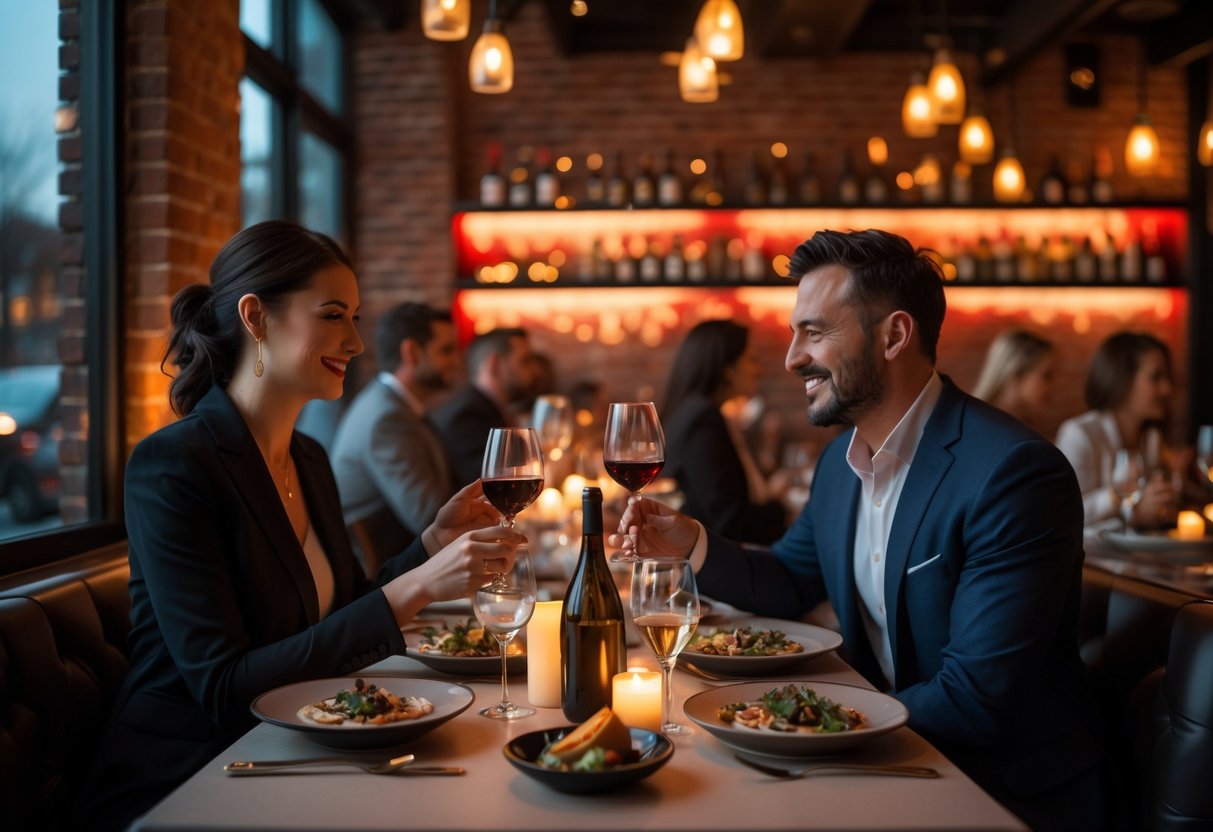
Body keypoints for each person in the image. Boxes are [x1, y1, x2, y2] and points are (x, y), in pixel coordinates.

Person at [612, 229, 1104, 831]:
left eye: (815, 332)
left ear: (894, 335)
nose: (793, 357)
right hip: (891, 762)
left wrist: (792, 717)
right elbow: (792, 579)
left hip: (999, 789)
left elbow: (975, 699)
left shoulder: (1012, 473)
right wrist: (690, 543)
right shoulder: (841, 465)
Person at [79, 222, 522, 831]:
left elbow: (338, 615)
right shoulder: (175, 464)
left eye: (357, 318)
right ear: (256, 317)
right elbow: (224, 689)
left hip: (293, 747)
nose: (357, 343)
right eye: (334, 315)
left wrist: (428, 548)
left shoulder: (309, 458)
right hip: (188, 775)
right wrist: (415, 588)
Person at [330, 302, 460, 574]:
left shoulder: (397, 406)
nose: (457, 361)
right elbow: (429, 518)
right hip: (376, 580)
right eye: (446, 350)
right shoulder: (386, 417)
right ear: (411, 352)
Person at [661, 319, 787, 543]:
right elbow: (729, 521)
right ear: (727, 368)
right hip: (706, 569)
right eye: (752, 360)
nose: (759, 370)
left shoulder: (692, 412)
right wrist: (781, 508)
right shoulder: (703, 421)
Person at [1055, 331, 1177, 536]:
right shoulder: (1080, 434)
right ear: (1124, 379)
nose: (1167, 389)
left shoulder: (1152, 439)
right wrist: (1128, 507)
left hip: (1140, 561)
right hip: (1091, 565)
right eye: (1156, 377)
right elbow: (1064, 515)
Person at [431, 327, 541, 488]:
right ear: (495, 365)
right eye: (525, 361)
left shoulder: (490, 410)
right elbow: (487, 490)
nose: (535, 371)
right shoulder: (467, 417)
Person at [972, 327, 1058, 435]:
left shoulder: (1026, 429)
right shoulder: (979, 428)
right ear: (1017, 374)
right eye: (1047, 375)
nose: (1054, 385)